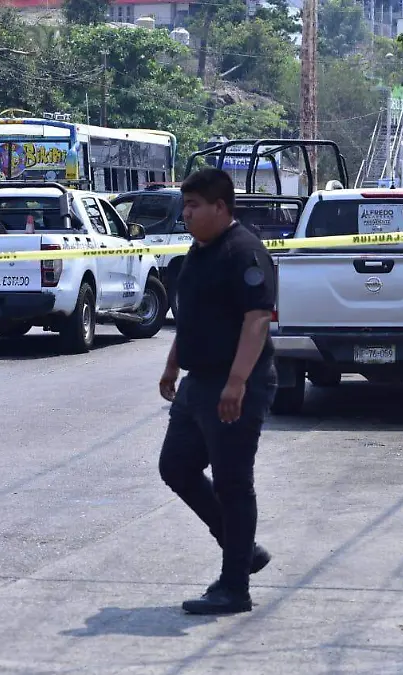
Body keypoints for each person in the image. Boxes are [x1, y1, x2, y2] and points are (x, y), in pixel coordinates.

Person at [157, 168, 278, 615]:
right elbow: (191, 316)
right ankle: (241, 548)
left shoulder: (243, 252)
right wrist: (172, 364)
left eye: (193, 206)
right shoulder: (199, 251)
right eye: (184, 205)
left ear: (220, 208)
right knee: (176, 467)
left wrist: (237, 382)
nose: (185, 213)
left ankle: (234, 587)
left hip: (236, 385)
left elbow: (257, 319)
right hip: (198, 382)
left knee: (232, 482)